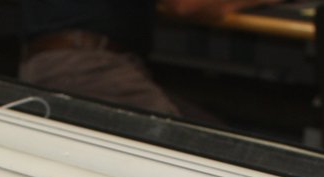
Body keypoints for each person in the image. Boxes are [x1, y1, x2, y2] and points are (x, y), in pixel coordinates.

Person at [18, 0, 275, 116]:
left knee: (217, 140)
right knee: (212, 159)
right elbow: (186, 4)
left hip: (55, 61)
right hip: (86, 67)